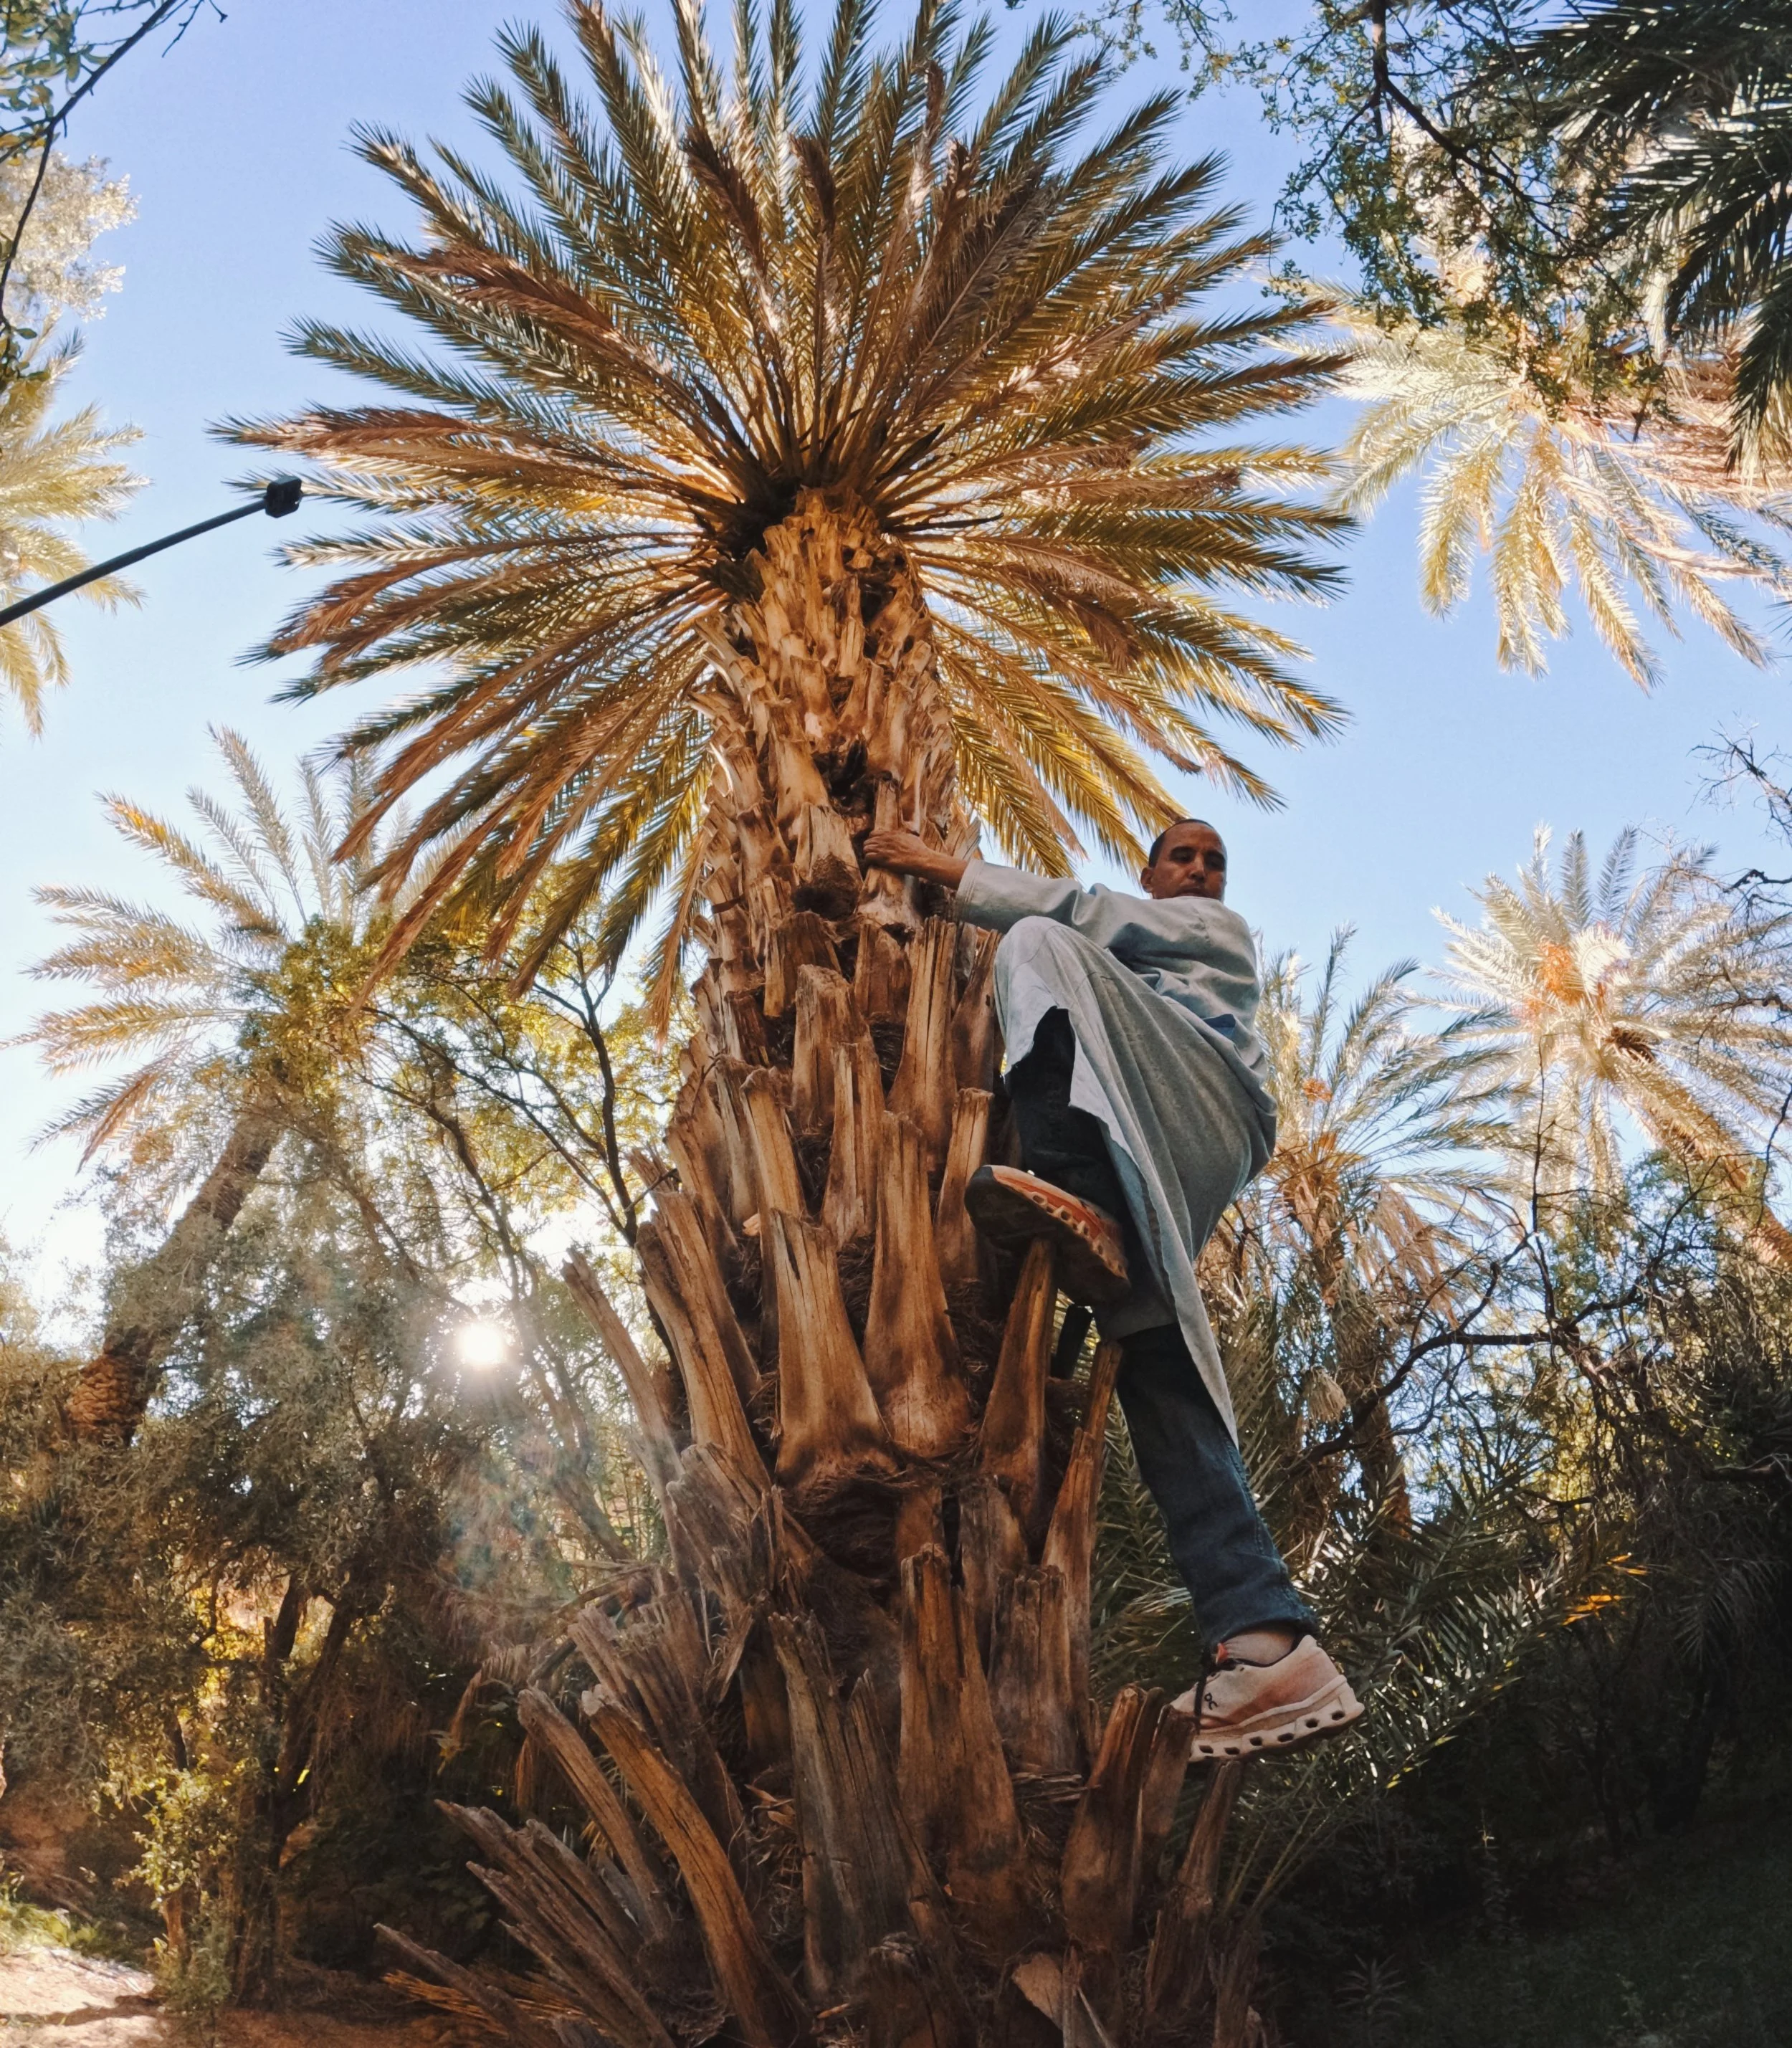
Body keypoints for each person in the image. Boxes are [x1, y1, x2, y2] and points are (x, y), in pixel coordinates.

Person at [862, 819, 1362, 1759]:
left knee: (1040, 942)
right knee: (1154, 1354)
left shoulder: (1215, 933)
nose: (1205, 869)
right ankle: (1266, 1644)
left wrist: (948, 873)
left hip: (1198, 1093)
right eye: (1186, 856)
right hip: (1148, 1118)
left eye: (1216, 859)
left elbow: (1083, 912)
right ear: (1152, 868)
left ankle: (1076, 1189)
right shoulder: (1135, 981)